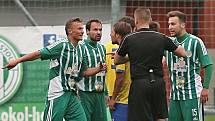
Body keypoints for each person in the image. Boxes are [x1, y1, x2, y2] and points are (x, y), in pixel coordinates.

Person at [3, 17, 106, 121]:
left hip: (71, 94)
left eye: (82, 29)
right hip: (58, 94)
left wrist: (98, 69)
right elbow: (38, 54)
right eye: (79, 29)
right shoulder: (61, 45)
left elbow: (84, 72)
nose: (82, 31)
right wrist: (17, 61)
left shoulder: (81, 48)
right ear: (70, 31)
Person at [114, 8, 186, 121]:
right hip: (157, 82)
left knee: (139, 117)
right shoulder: (161, 37)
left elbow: (117, 60)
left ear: (136, 21)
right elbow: (182, 52)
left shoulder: (129, 38)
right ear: (150, 19)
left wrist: (131, 57)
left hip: (139, 83)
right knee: (160, 117)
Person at [166, 11, 213, 121]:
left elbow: (208, 65)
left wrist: (205, 88)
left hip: (192, 95)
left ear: (183, 25)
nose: (169, 27)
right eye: (169, 24)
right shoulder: (167, 43)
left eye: (173, 24)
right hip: (175, 96)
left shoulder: (196, 42)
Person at [77, 19, 107, 121]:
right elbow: (80, 72)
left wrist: (105, 93)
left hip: (99, 94)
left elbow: (103, 73)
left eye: (100, 30)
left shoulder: (102, 48)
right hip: (85, 94)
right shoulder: (80, 47)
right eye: (95, 29)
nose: (98, 32)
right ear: (87, 31)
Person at [105, 16, 135, 121]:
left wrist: (113, 98)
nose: (110, 34)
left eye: (112, 32)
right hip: (127, 97)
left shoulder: (121, 49)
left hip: (121, 100)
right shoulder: (133, 47)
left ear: (117, 34)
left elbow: (120, 77)